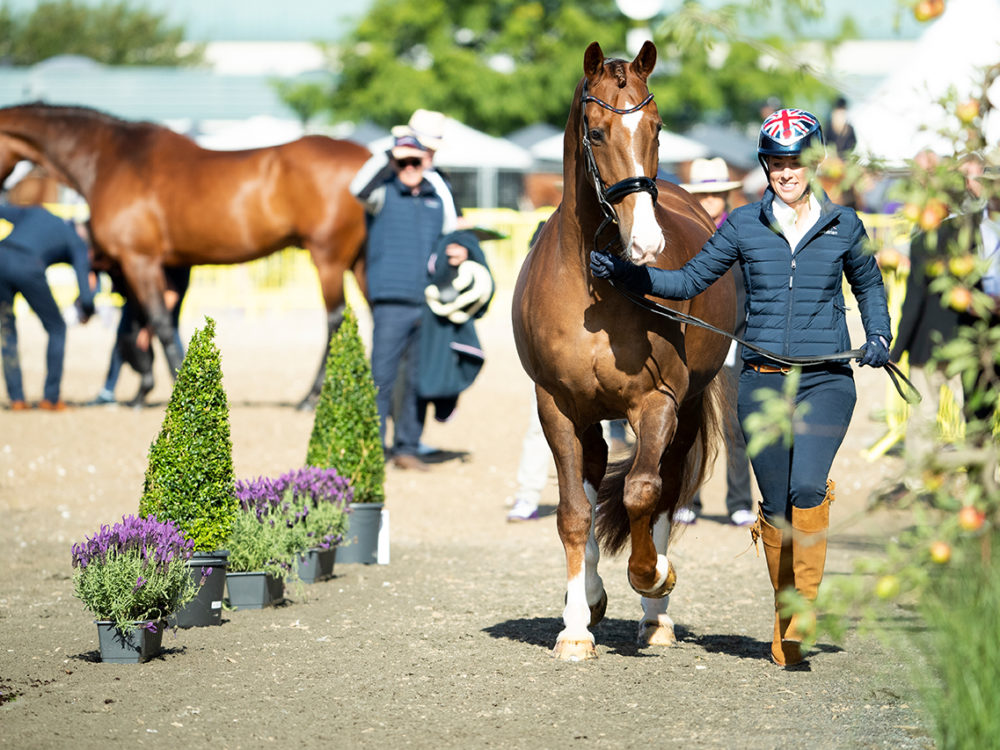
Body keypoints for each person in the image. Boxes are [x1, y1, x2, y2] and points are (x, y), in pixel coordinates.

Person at [590, 107, 893, 667]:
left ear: (814, 162)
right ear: (766, 167)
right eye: (777, 163)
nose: (787, 172)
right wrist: (633, 276)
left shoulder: (846, 225)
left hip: (826, 379)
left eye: (796, 162)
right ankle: (785, 612)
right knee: (776, 504)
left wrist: (879, 332)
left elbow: (870, 285)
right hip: (762, 381)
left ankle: (801, 612)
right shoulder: (745, 227)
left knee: (806, 489)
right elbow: (689, 279)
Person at [351, 126, 467, 471]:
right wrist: (391, 152)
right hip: (390, 302)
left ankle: (407, 448)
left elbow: (452, 232)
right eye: (403, 162)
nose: (410, 167)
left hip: (427, 301)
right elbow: (357, 188)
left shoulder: (436, 193)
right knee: (381, 378)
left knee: (417, 379)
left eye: (416, 160)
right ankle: (371, 450)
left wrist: (458, 251)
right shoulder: (382, 193)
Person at [676, 157, 756, 527]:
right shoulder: (682, 238)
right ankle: (688, 498)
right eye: (704, 194)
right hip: (691, 346)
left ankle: (739, 500)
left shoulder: (742, 237)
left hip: (733, 342)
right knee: (688, 424)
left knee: (736, 426)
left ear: (726, 197)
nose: (710, 201)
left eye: (716, 195)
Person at [0, 203, 95, 410]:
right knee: (57, 328)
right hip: (28, 266)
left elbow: (2, 210)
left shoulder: (39, 212)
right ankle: (50, 398)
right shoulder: (77, 242)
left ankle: (17, 399)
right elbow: (85, 291)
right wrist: (87, 310)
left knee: (6, 332)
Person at [90, 264, 190, 407]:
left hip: (169, 277)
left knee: (168, 332)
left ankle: (186, 392)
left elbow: (171, 296)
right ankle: (112, 389)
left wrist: (150, 329)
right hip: (142, 294)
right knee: (125, 334)